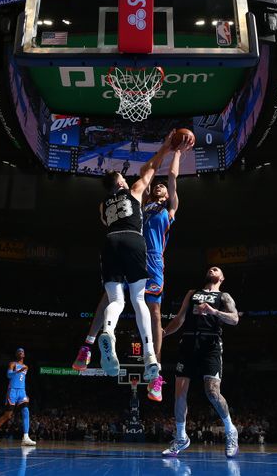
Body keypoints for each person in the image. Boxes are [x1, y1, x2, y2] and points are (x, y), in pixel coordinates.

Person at [73, 138, 193, 402]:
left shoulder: (169, 208)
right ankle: (88, 345)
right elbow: (147, 174)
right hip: (134, 249)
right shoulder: (140, 199)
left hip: (152, 259)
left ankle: (156, 375)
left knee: (152, 311)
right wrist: (162, 149)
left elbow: (171, 175)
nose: (160, 187)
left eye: (163, 187)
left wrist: (176, 152)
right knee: (111, 300)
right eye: (157, 185)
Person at [95, 131, 186, 382]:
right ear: (122, 184)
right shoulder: (136, 192)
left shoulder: (104, 203)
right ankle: (149, 356)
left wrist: (173, 152)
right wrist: (167, 148)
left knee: (116, 300)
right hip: (135, 244)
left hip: (113, 244)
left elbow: (104, 220)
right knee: (138, 302)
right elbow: (150, 169)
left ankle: (108, 332)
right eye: (124, 177)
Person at [160, 267, 240, 458]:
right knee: (179, 394)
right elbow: (179, 319)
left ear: (222, 277)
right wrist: (163, 333)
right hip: (188, 343)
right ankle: (181, 437)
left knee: (212, 392)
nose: (213, 269)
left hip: (210, 344)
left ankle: (230, 430)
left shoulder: (224, 296)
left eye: (217, 269)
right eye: (210, 268)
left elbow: (235, 319)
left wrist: (213, 311)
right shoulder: (192, 293)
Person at [0, 348, 36, 447]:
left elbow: (23, 380)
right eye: (19, 352)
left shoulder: (26, 366)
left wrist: (26, 394)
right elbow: (8, 375)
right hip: (12, 391)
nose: (21, 353)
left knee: (26, 411)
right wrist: (18, 371)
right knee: (7, 415)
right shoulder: (12, 364)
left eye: (22, 352)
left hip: (22, 391)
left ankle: (25, 437)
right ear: (16, 354)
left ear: (24, 355)